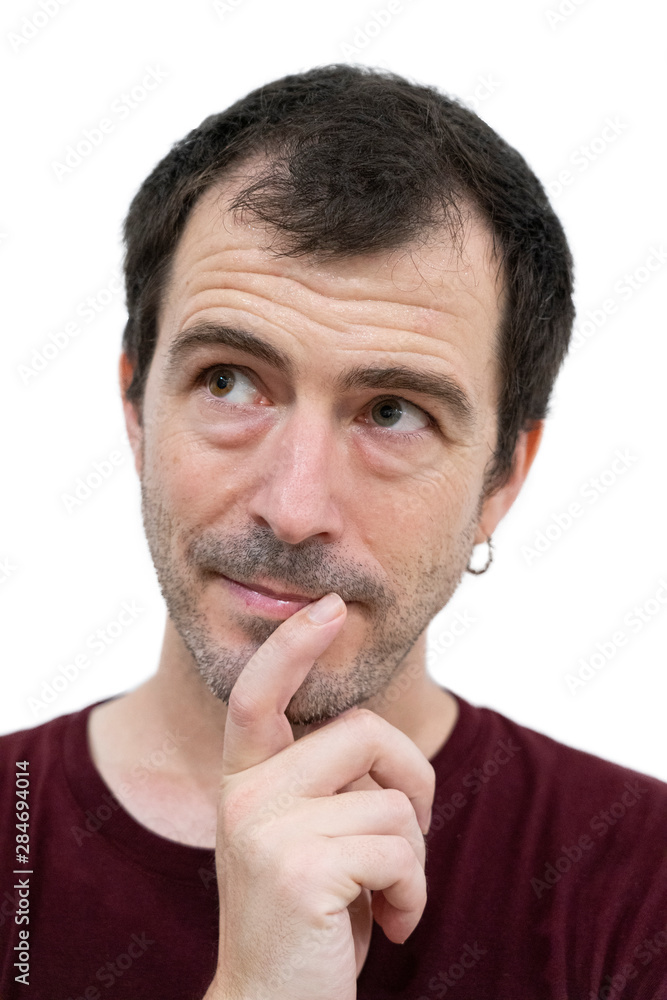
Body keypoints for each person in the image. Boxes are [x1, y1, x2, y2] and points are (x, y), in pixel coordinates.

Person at [1, 63, 665, 1000]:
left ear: (502, 478)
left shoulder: (642, 883)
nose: (294, 507)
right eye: (230, 381)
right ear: (136, 409)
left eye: (392, 412)